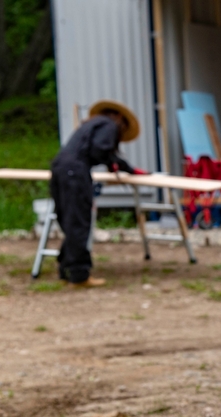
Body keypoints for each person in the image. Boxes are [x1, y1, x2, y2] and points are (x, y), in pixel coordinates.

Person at [50, 100, 147, 287]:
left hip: (60, 167)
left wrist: (125, 167)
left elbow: (100, 151)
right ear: (119, 118)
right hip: (75, 172)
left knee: (70, 221)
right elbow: (100, 150)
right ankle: (79, 275)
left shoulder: (91, 124)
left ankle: (66, 270)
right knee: (79, 222)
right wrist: (119, 166)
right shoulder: (109, 124)